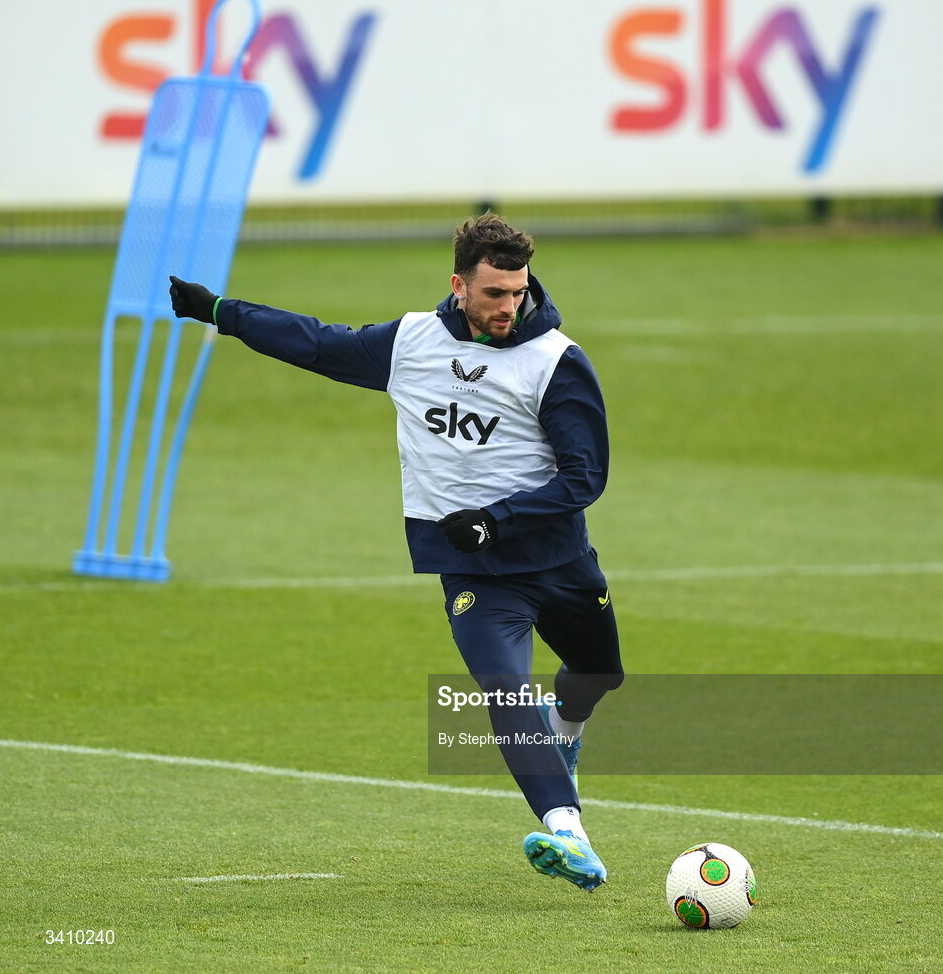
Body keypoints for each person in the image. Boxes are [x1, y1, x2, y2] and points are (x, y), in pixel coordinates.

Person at [168, 213, 624, 891]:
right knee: (503, 690)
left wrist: (496, 519)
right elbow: (318, 344)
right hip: (473, 573)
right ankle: (569, 832)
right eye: (494, 293)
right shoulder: (411, 341)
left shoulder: (554, 360)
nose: (508, 306)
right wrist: (221, 312)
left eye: (517, 292)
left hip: (557, 563)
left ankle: (565, 735)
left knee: (595, 675)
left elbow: (584, 477)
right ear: (459, 285)